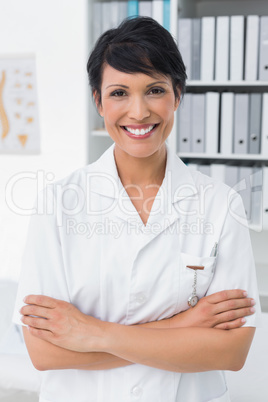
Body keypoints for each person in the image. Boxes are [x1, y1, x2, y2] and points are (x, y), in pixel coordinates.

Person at [13, 16, 261, 402]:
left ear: (177, 96)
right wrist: (184, 326)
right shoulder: (57, 205)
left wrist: (91, 333)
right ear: (98, 101)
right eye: (119, 93)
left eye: (155, 90)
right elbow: (44, 352)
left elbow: (231, 351)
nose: (139, 111)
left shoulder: (220, 205)